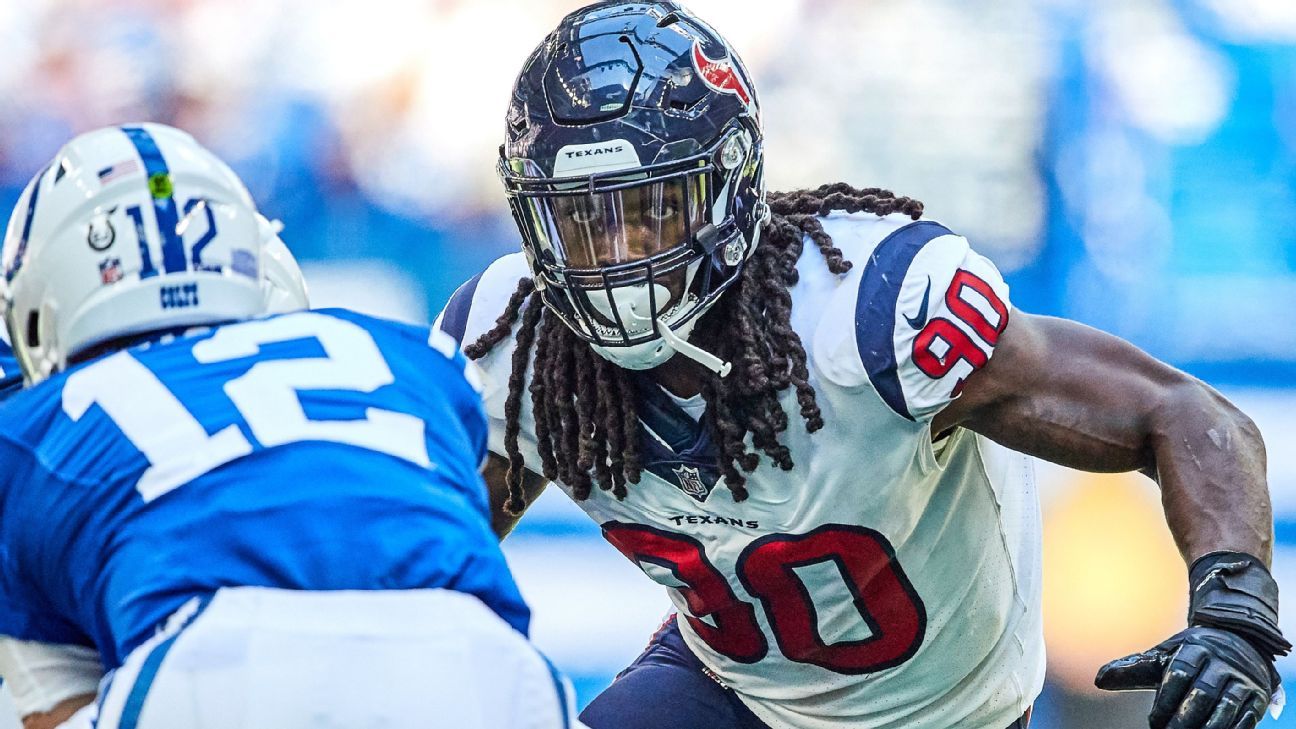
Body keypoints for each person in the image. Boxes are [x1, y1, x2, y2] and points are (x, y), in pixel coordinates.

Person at [437, 3, 1290, 728]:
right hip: (733, 686)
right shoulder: (514, 342)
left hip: (947, 712)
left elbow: (1179, 411)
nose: (619, 257)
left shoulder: (872, 313)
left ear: (731, 188)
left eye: (652, 211)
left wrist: (1236, 606)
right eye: (586, 221)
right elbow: (435, 561)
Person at [0, 123, 576, 729]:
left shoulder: (37, 429)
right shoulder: (414, 358)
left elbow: (55, 699)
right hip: (490, 668)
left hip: (208, 670)